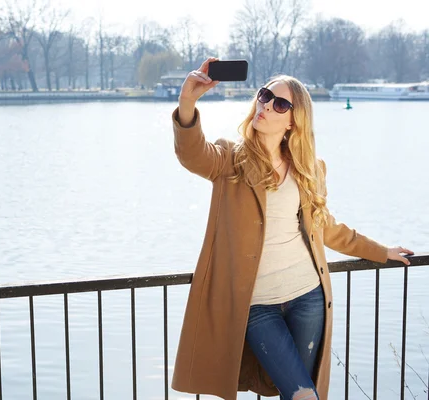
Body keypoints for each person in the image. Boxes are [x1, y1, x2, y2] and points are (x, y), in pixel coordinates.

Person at [170, 57, 414, 400]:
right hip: (256, 306)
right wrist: (187, 103)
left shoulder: (309, 169)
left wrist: (381, 252)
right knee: (303, 395)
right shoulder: (229, 160)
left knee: (297, 394)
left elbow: (326, 228)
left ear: (293, 122)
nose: (266, 105)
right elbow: (192, 154)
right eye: (264, 95)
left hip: (308, 297)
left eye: (279, 103)